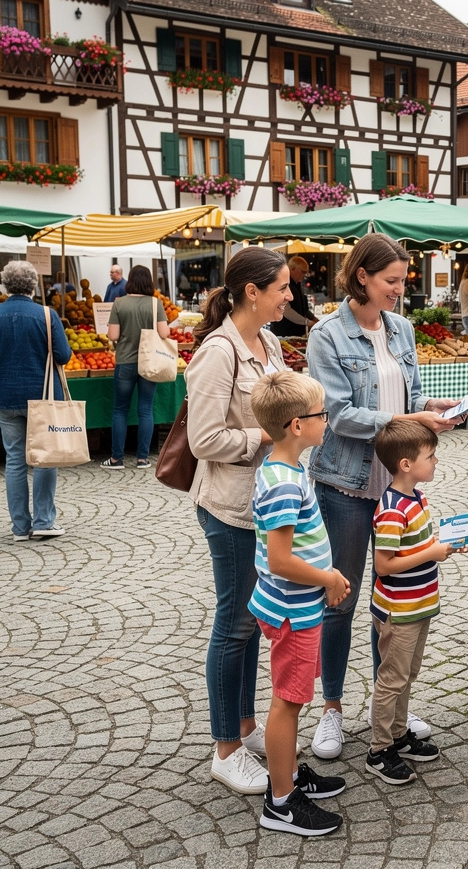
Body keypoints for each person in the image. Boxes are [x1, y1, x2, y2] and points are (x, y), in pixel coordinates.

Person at [305, 233, 462, 761]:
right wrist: (405, 418)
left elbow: (410, 396)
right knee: (341, 599)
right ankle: (331, 708)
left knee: (393, 602)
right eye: (391, 280)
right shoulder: (327, 334)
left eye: (403, 279)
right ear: (362, 277)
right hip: (347, 483)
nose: (400, 289)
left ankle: (387, 706)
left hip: (398, 485)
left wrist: (434, 408)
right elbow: (337, 414)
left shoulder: (403, 329)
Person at [185, 248, 292, 795]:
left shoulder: (268, 342)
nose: (290, 297)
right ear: (253, 291)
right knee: (234, 625)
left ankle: (246, 728)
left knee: (253, 622)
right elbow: (204, 440)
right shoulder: (217, 352)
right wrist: (267, 437)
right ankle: (225, 748)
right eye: (282, 288)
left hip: (266, 503)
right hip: (229, 508)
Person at [248, 371, 350, 836]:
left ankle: (286, 774)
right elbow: (280, 559)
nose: (326, 421)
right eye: (321, 414)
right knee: (287, 703)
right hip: (294, 609)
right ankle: (281, 802)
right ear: (295, 425)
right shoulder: (284, 482)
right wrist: (328, 577)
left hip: (295, 606)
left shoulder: (284, 469)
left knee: (290, 699)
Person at [366, 420, 468, 784]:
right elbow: (384, 565)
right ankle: (379, 749)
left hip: (419, 604)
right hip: (399, 610)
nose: (436, 461)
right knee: (392, 679)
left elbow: (420, 547)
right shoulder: (391, 509)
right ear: (405, 465)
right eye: (430, 456)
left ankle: (398, 735)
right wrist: (432, 552)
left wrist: (449, 545)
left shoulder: (416, 497)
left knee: (407, 674)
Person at [0, 260, 71, 540]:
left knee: (15, 460)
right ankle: (43, 521)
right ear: (33, 285)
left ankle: (20, 527)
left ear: (5, 285)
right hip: (42, 398)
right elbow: (64, 356)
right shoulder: (46, 314)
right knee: (45, 457)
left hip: (5, 397)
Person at [101, 265, 171, 470]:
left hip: (125, 361)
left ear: (129, 280)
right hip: (149, 362)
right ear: (149, 281)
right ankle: (142, 459)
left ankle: (116, 459)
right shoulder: (154, 303)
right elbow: (164, 333)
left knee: (120, 410)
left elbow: (113, 336)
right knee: (146, 410)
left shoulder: (119, 303)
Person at [270, 256, 320, 338]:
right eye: (303, 272)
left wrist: (314, 319)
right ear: (292, 269)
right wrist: (308, 322)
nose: (305, 275)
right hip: (284, 334)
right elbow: (286, 310)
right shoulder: (282, 283)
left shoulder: (298, 284)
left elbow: (304, 309)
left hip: (295, 334)